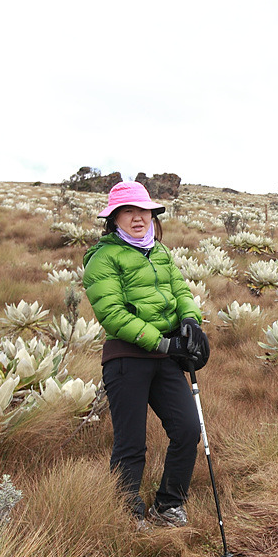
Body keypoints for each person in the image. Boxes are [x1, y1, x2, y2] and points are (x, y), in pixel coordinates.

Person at [82, 181, 210, 527]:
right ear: (114, 219)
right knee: (131, 443)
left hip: (166, 357)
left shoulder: (160, 252)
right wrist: (162, 343)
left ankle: (168, 505)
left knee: (187, 430)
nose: (138, 218)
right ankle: (128, 514)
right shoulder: (102, 258)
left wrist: (190, 321)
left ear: (153, 215)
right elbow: (112, 313)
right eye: (128, 211)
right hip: (127, 359)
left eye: (144, 211)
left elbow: (180, 291)